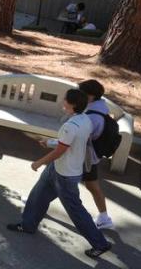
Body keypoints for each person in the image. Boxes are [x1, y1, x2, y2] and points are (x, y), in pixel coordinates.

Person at [7, 89, 112, 259]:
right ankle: (28, 225)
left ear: (73, 105)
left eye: (65, 100)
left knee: (76, 211)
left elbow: (61, 151)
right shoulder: (85, 120)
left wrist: (39, 162)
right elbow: (70, 144)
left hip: (65, 175)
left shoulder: (70, 126)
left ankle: (100, 244)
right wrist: (49, 142)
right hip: (61, 169)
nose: (63, 102)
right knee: (38, 195)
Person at [78, 79, 114, 229]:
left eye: (81, 93)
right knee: (92, 186)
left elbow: (81, 138)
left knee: (56, 179)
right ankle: (104, 217)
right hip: (90, 157)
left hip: (84, 156)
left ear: (90, 96)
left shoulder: (94, 116)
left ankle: (36, 203)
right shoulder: (99, 108)